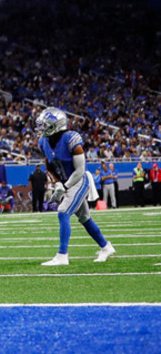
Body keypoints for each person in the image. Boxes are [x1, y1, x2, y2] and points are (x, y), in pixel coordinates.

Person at [36, 107, 115, 267]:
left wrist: (63, 186)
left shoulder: (71, 139)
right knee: (85, 219)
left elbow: (79, 171)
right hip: (65, 182)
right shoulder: (43, 142)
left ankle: (62, 255)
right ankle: (106, 247)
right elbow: (49, 168)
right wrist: (56, 183)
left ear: (56, 125)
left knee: (63, 212)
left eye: (45, 125)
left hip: (79, 180)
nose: (41, 128)